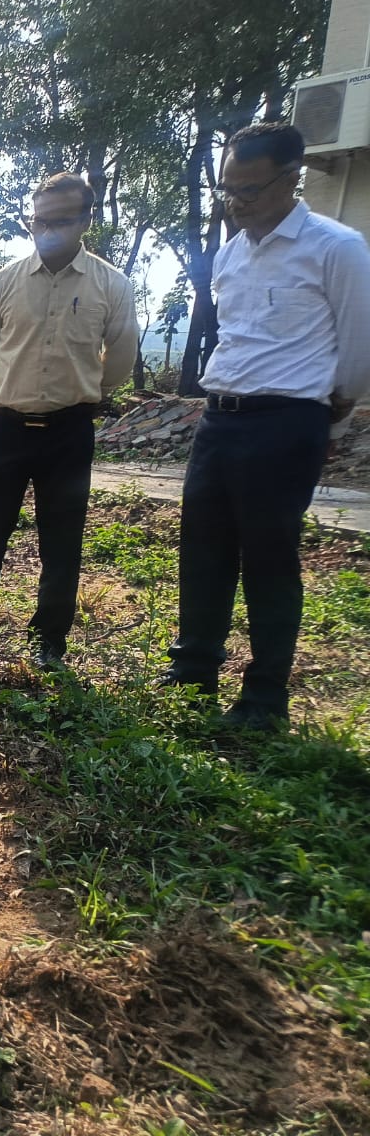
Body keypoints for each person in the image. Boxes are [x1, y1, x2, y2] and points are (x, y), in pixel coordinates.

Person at [159, 123, 370, 731]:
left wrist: (331, 415)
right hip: (220, 418)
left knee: (269, 559)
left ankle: (263, 698)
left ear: (290, 179)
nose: (237, 203)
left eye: (249, 191)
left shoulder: (337, 248)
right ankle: (194, 669)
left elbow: (358, 347)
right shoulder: (232, 253)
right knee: (203, 550)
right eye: (228, 190)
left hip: (287, 421)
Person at [0, 173, 140, 670]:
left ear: (85, 221)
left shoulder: (110, 285)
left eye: (61, 220)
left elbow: (120, 353)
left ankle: (50, 638)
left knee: (62, 540)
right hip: (5, 430)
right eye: (39, 220)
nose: (48, 229)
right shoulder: (4, 281)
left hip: (69, 432)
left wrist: (92, 395)